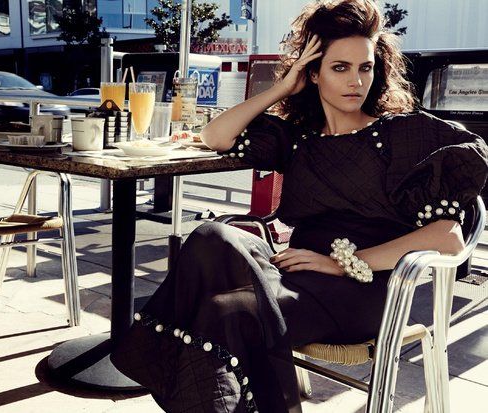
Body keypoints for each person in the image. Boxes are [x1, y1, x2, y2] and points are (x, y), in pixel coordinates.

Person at [110, 1, 488, 412]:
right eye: (339, 68)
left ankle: (168, 370)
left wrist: (344, 263)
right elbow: (216, 136)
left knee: (223, 313)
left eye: (365, 68)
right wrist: (282, 87)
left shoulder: (401, 135)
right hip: (294, 273)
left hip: (362, 290)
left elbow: (449, 238)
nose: (356, 81)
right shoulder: (297, 140)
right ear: (313, 73)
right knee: (209, 236)